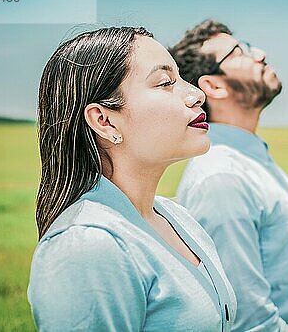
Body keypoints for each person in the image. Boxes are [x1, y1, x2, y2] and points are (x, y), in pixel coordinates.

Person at [28, 26, 236, 331]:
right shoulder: (87, 246)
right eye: (165, 82)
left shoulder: (179, 218)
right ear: (104, 120)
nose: (196, 94)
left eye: (180, 78)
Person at [170, 20, 288, 332]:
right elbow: (247, 320)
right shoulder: (221, 177)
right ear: (213, 86)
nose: (261, 55)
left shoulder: (248, 160)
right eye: (240, 52)